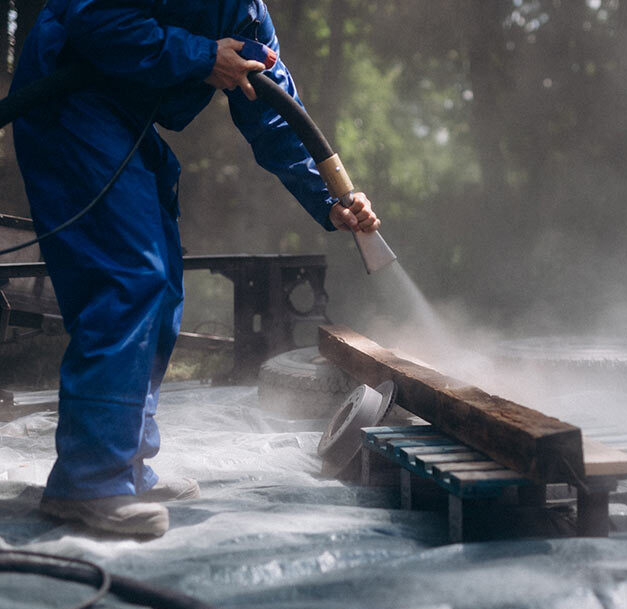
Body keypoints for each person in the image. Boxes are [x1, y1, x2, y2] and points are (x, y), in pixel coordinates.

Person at [10, 0, 380, 537]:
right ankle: (89, 481)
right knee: (129, 279)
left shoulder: (246, 13)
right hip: (71, 105)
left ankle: (126, 464)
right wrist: (200, 56)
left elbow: (274, 111)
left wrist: (333, 199)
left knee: (161, 287)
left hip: (124, 117)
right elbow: (93, 18)